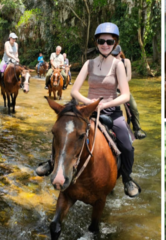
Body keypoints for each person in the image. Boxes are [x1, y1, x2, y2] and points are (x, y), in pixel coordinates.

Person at [35, 22, 140, 198]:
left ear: (115, 43)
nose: (105, 45)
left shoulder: (118, 65)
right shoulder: (89, 64)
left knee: (127, 144)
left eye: (109, 41)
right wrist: (89, 103)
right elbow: (74, 90)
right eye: (101, 41)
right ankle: (52, 163)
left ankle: (127, 178)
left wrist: (105, 104)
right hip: (87, 110)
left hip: (111, 111)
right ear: (96, 43)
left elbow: (126, 96)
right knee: (64, 132)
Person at [112, 45, 146, 139]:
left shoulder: (126, 61)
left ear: (120, 53)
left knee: (134, 107)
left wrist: (120, 84)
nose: (114, 56)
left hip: (123, 89)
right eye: (112, 55)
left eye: (115, 55)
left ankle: (137, 129)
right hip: (111, 88)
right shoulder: (109, 62)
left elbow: (129, 77)